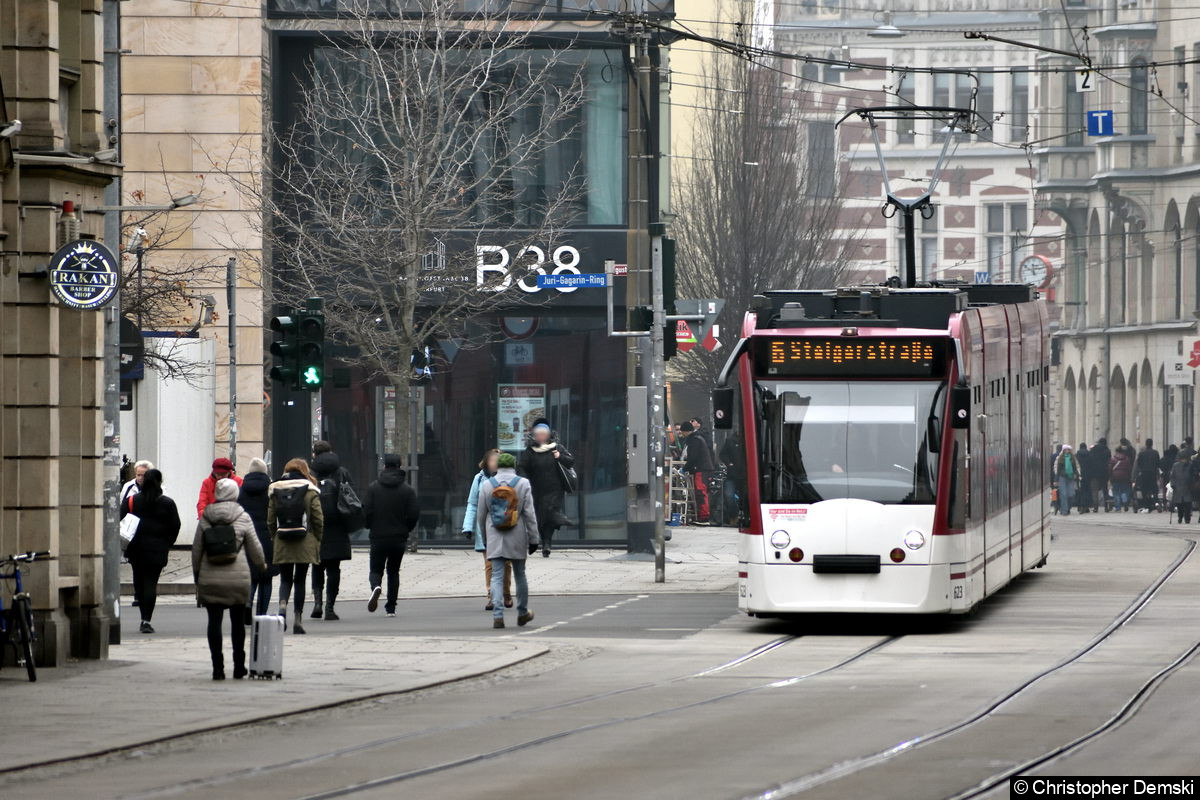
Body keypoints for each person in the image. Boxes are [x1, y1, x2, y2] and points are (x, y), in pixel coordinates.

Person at [192, 478, 266, 680]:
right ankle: (239, 666)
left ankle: (218, 668)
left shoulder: (206, 517)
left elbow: (197, 550)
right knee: (238, 623)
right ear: (235, 494)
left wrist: (197, 575)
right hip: (238, 578)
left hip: (210, 577)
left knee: (214, 622)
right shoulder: (243, 516)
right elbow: (255, 548)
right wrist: (262, 565)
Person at [476, 452, 539, 629]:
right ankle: (522, 612)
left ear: (498, 467)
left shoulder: (487, 485)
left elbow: (481, 515)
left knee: (496, 576)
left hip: (494, 535)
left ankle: (498, 615)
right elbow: (529, 513)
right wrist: (534, 538)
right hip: (517, 535)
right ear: (514, 466)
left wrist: (485, 537)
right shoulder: (523, 483)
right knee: (520, 574)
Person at [121, 469, 181, 634]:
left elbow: (120, 520)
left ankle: (143, 613)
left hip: (136, 548)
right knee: (150, 584)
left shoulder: (132, 501)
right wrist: (167, 543)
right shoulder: (167, 503)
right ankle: (146, 620)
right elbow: (175, 525)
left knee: (139, 582)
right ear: (160, 482)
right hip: (157, 549)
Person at [268, 458, 323, 634]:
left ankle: (282, 606)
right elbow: (318, 518)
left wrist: (275, 537)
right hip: (304, 540)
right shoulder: (310, 489)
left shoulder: (275, 489)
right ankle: (298, 618)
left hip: (283, 540)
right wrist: (317, 538)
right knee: (300, 579)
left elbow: (270, 519)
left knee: (285, 579)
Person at [363, 454, 421, 617]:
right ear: (400, 466)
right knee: (394, 571)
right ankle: (391, 607)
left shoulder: (373, 488)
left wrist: (369, 525)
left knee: (376, 569)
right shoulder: (407, 490)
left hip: (378, 536)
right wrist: (406, 529)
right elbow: (414, 513)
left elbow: (366, 511)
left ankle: (376, 586)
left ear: (384, 467)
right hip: (398, 537)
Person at [310, 441, 357, 621]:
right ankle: (330, 607)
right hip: (337, 525)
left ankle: (317, 603)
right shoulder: (341, 472)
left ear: (315, 454)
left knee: (317, 566)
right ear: (330, 452)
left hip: (316, 526)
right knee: (334, 568)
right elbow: (351, 496)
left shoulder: (310, 473)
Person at [462, 448, 512, 611]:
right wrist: (468, 527)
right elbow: (473, 504)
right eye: (492, 460)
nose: (495, 463)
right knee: (490, 563)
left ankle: (506, 592)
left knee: (506, 562)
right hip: (486, 528)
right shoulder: (479, 479)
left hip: (506, 525)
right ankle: (491, 595)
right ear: (486, 462)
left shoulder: (510, 478)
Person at [518, 419, 575, 557]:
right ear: (535, 436)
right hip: (536, 488)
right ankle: (556, 524)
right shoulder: (530, 451)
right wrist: (525, 481)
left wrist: (559, 456)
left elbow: (570, 462)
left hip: (555, 488)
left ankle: (547, 543)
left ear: (549, 435)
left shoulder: (557, 448)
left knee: (550, 511)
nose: (541, 436)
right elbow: (521, 467)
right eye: (539, 434)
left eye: (544, 434)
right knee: (541, 516)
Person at [238, 457, 275, 617]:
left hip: (248, 537)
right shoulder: (271, 490)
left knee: (251, 575)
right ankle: (261, 613)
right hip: (267, 537)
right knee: (266, 578)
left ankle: (248, 602)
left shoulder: (241, 490)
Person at [679, 421, 715, 524]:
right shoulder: (697, 438)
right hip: (702, 468)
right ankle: (702, 516)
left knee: (700, 492)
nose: (682, 434)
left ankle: (704, 517)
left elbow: (693, 457)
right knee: (700, 492)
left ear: (686, 431)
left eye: (682, 432)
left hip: (701, 469)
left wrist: (685, 468)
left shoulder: (694, 440)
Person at [1053, 445, 1081, 515]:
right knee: (1063, 494)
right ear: (1063, 451)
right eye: (1065, 450)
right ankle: (1064, 510)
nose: (1067, 451)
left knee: (1071, 494)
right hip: (1062, 477)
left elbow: (1075, 468)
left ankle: (1068, 507)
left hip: (1071, 477)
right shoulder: (1060, 458)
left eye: (1068, 450)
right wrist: (1056, 480)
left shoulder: (1073, 458)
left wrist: (1077, 475)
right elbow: (1058, 470)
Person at [1135, 439, 1161, 512]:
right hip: (1153, 473)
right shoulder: (1155, 453)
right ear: (1152, 444)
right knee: (1154, 488)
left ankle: (1146, 505)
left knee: (1144, 489)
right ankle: (1156, 502)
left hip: (1144, 473)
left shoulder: (1141, 453)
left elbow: (1139, 463)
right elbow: (1158, 463)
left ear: (1146, 444)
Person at [1109, 440, 1134, 512]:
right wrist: (1129, 476)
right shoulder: (1126, 459)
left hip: (1115, 478)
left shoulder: (1113, 459)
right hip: (1125, 477)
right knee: (1124, 491)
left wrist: (1110, 477)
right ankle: (1125, 503)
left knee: (1116, 492)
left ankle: (1118, 507)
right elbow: (1129, 469)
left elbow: (1110, 469)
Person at [1170, 451, 1194, 524]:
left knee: (1187, 504)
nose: (1184, 460)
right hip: (1178, 487)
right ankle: (1180, 517)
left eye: (1185, 459)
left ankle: (1187, 518)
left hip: (1187, 487)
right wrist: (1173, 484)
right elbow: (1172, 476)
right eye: (1183, 459)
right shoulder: (1175, 465)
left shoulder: (1190, 465)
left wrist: (1192, 484)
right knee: (1179, 505)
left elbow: (1193, 475)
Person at [1089, 437, 1111, 511]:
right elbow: (1109, 462)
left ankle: (1095, 507)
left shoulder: (1093, 450)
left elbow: (1090, 461)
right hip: (1104, 472)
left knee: (1095, 490)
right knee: (1105, 490)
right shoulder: (1107, 451)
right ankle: (1106, 506)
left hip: (1094, 473)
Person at [1074, 443, 1091, 513]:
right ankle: (1086, 506)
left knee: (1079, 491)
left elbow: (1075, 466)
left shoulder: (1076, 455)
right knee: (1087, 490)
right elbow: (1091, 465)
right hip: (1088, 475)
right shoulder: (1089, 455)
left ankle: (1080, 506)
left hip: (1079, 475)